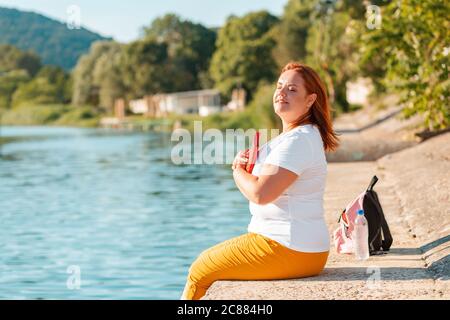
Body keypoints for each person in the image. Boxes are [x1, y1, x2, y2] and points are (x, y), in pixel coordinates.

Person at [180, 62, 340, 300]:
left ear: (310, 100)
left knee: (199, 270)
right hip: (294, 245)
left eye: (293, 89)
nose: (282, 92)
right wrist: (249, 165)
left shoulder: (299, 139)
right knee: (205, 262)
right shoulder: (295, 136)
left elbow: (261, 194)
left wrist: (237, 171)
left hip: (289, 247)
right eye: (280, 86)